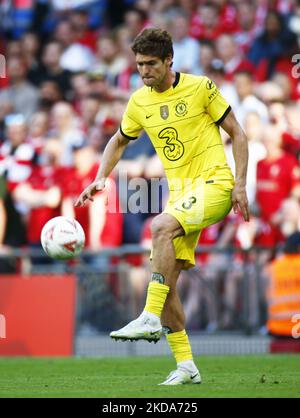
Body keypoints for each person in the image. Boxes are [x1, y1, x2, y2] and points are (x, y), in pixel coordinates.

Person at [75, 28, 249, 386]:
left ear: (169, 59)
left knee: (159, 227)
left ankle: (149, 316)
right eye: (139, 64)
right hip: (182, 194)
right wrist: (100, 177)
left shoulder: (201, 87)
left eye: (151, 63)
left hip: (215, 183)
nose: (144, 71)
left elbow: (238, 132)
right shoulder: (139, 101)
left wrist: (242, 184)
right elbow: (119, 140)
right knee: (165, 281)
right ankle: (186, 364)